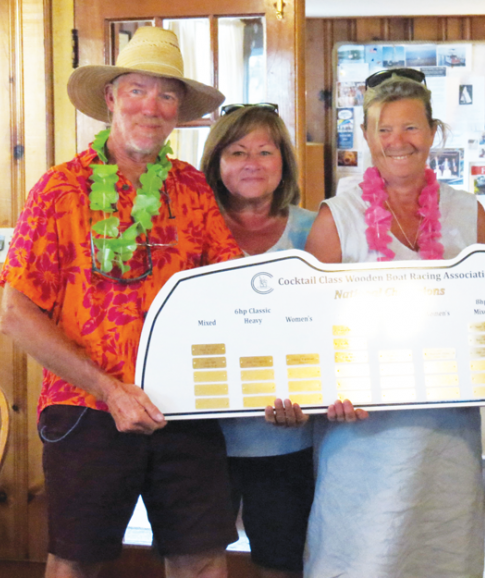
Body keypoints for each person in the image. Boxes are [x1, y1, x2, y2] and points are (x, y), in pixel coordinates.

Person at [0, 27, 242, 578]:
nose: (150, 107)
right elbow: (15, 315)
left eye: (167, 95)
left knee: (202, 559)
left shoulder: (193, 190)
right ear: (110, 99)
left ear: (179, 110)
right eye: (136, 90)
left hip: (186, 406)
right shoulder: (59, 190)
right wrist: (109, 389)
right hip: (85, 408)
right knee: (76, 563)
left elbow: (226, 293)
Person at [290, 68, 485, 578]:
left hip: (448, 431)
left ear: (434, 132)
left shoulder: (468, 211)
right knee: (361, 555)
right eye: (384, 129)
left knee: (442, 552)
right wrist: (323, 391)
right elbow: (311, 328)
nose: (398, 141)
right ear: (368, 139)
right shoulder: (337, 217)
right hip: (360, 433)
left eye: (412, 127)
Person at [200, 103, 316, 578]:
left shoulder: (315, 228)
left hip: (288, 434)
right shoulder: (190, 228)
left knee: (282, 560)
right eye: (237, 151)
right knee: (196, 558)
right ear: (216, 163)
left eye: (266, 151)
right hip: (202, 435)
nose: (252, 162)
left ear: (283, 161)